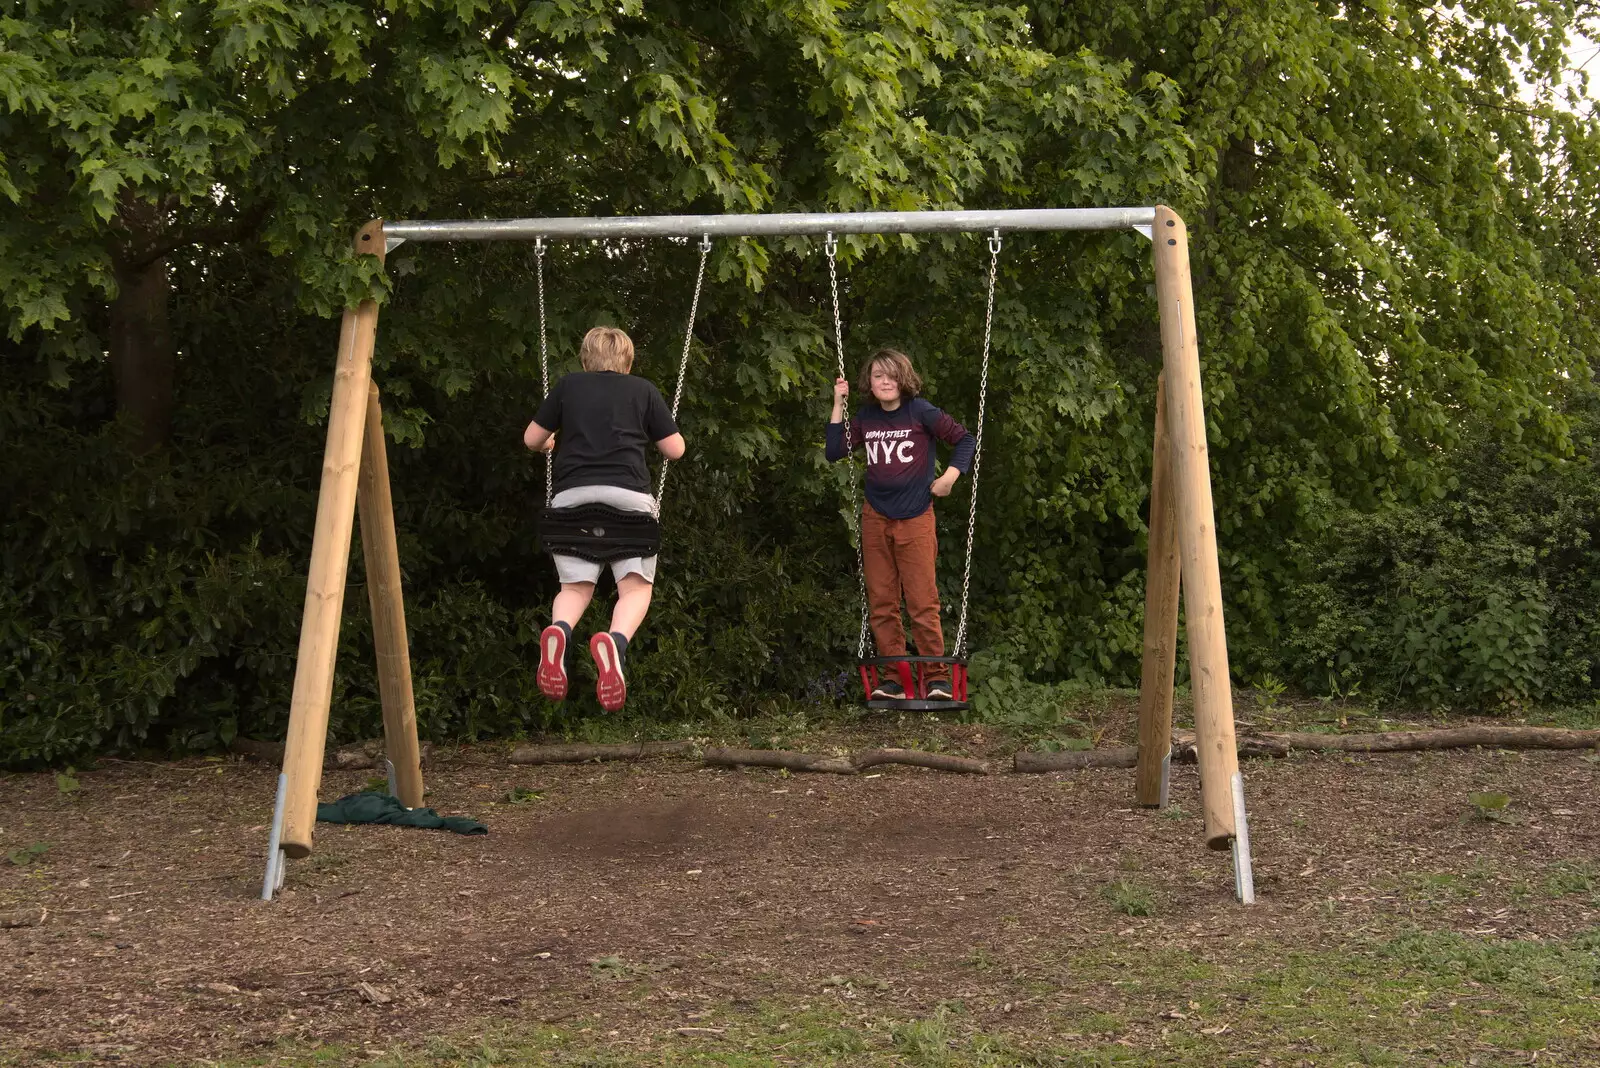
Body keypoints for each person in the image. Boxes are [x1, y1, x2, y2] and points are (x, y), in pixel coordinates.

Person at [523, 326, 685, 712]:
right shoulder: (643, 390)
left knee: (575, 588)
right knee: (635, 588)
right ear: (627, 361)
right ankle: (615, 641)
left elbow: (531, 439)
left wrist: (549, 443)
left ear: (585, 358)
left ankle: (560, 630)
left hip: (572, 499)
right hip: (627, 499)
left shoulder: (568, 386)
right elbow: (675, 450)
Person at [826, 347, 974, 700]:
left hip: (915, 516)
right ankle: (895, 678)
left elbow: (965, 439)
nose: (885, 381)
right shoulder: (866, 417)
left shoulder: (920, 411)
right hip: (876, 517)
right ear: (870, 383)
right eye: (878, 376)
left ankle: (936, 678)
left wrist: (951, 477)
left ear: (903, 378)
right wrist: (837, 405)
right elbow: (834, 451)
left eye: (891, 375)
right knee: (882, 601)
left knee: (922, 600)